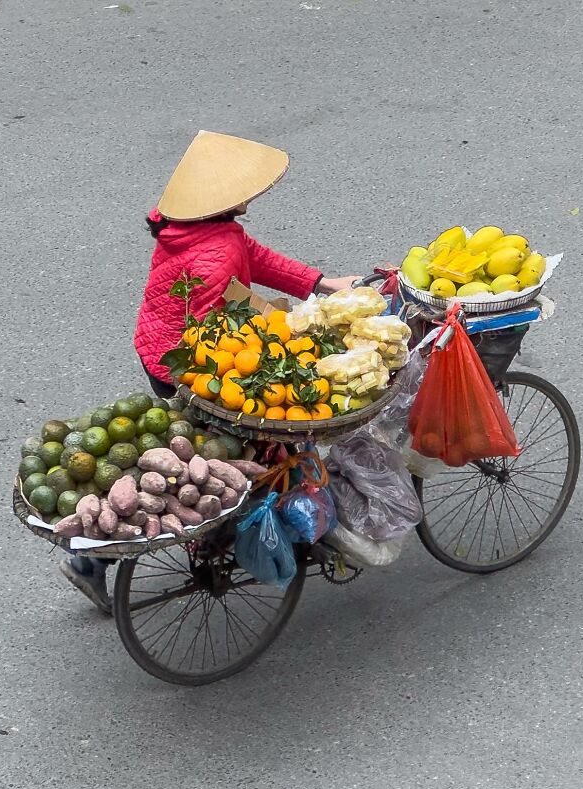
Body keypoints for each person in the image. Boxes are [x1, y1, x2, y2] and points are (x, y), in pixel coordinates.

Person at [61, 130, 360, 613]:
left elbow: (255, 259)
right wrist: (283, 348)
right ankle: (100, 560)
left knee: (221, 449)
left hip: (158, 344)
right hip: (184, 364)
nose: (253, 195)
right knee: (218, 456)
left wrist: (321, 284)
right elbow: (209, 331)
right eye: (246, 189)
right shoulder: (216, 252)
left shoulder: (194, 229)